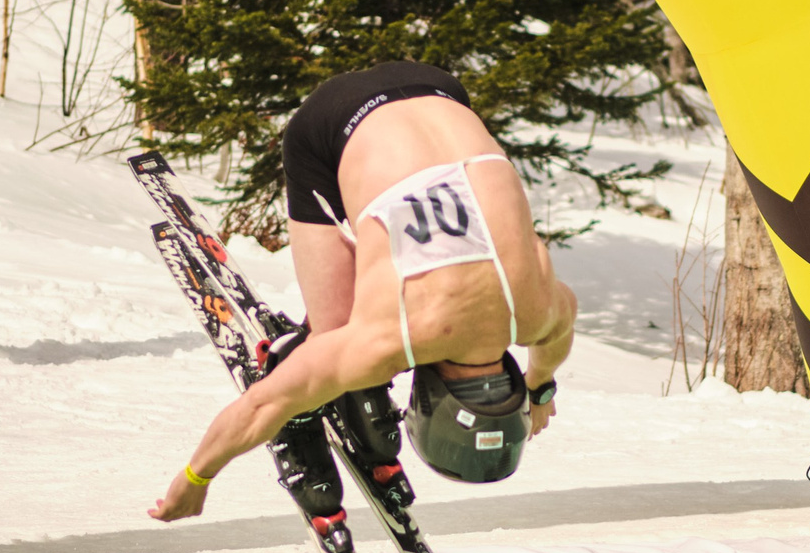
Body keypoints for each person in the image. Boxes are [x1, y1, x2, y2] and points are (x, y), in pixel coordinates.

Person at [150, 59, 577, 522]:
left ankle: (344, 386)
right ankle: (298, 385)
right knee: (332, 333)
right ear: (427, 405)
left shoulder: (537, 315)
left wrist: (540, 386)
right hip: (333, 121)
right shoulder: (387, 340)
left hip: (438, 90)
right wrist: (193, 481)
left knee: (352, 338)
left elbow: (560, 333)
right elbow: (262, 405)